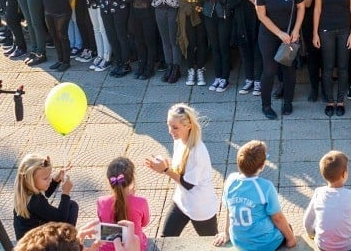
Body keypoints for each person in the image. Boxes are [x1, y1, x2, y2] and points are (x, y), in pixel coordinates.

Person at [145, 104, 219, 236]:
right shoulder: (179, 140)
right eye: (169, 125)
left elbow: (188, 184)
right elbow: (181, 171)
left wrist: (165, 169)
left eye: (175, 127)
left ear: (188, 126)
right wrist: (164, 166)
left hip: (200, 207)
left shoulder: (198, 151)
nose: (170, 131)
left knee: (212, 244)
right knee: (166, 239)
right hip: (181, 201)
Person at [214, 140, 297, 250]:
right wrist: (291, 239)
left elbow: (230, 209)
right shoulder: (266, 187)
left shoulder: (230, 181)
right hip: (264, 244)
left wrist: (226, 233)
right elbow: (278, 218)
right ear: (262, 166)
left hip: (238, 241)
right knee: (288, 227)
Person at [255, 0, 307, 118]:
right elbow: (262, 16)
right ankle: (266, 105)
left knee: (289, 69)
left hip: (291, 33)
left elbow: (301, 7)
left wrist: (296, 30)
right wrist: (279, 33)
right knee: (269, 70)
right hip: (269, 34)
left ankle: (288, 102)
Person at [313, 0, 351, 116]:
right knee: (328, 67)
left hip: (345, 30)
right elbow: (317, 9)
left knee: (343, 67)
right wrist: (315, 34)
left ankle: (340, 101)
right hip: (326, 30)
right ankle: (330, 101)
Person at [303, 151, 351, 251]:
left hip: (322, 245)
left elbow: (307, 220)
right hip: (347, 245)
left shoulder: (318, 193)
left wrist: (311, 233)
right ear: (344, 174)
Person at [13, 154, 78, 240]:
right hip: (36, 246)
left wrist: (57, 178)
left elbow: (46, 192)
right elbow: (61, 218)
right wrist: (65, 193)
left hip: (31, 239)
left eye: (49, 176)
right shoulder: (34, 202)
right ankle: (68, 242)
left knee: (70, 205)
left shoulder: (26, 192)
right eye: (45, 178)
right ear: (30, 180)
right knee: (72, 206)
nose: (50, 179)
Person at [96, 158, 150, 251]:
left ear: (109, 181)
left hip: (107, 247)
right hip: (135, 247)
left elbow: (101, 221)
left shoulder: (100, 201)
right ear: (132, 179)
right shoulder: (142, 201)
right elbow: (144, 223)